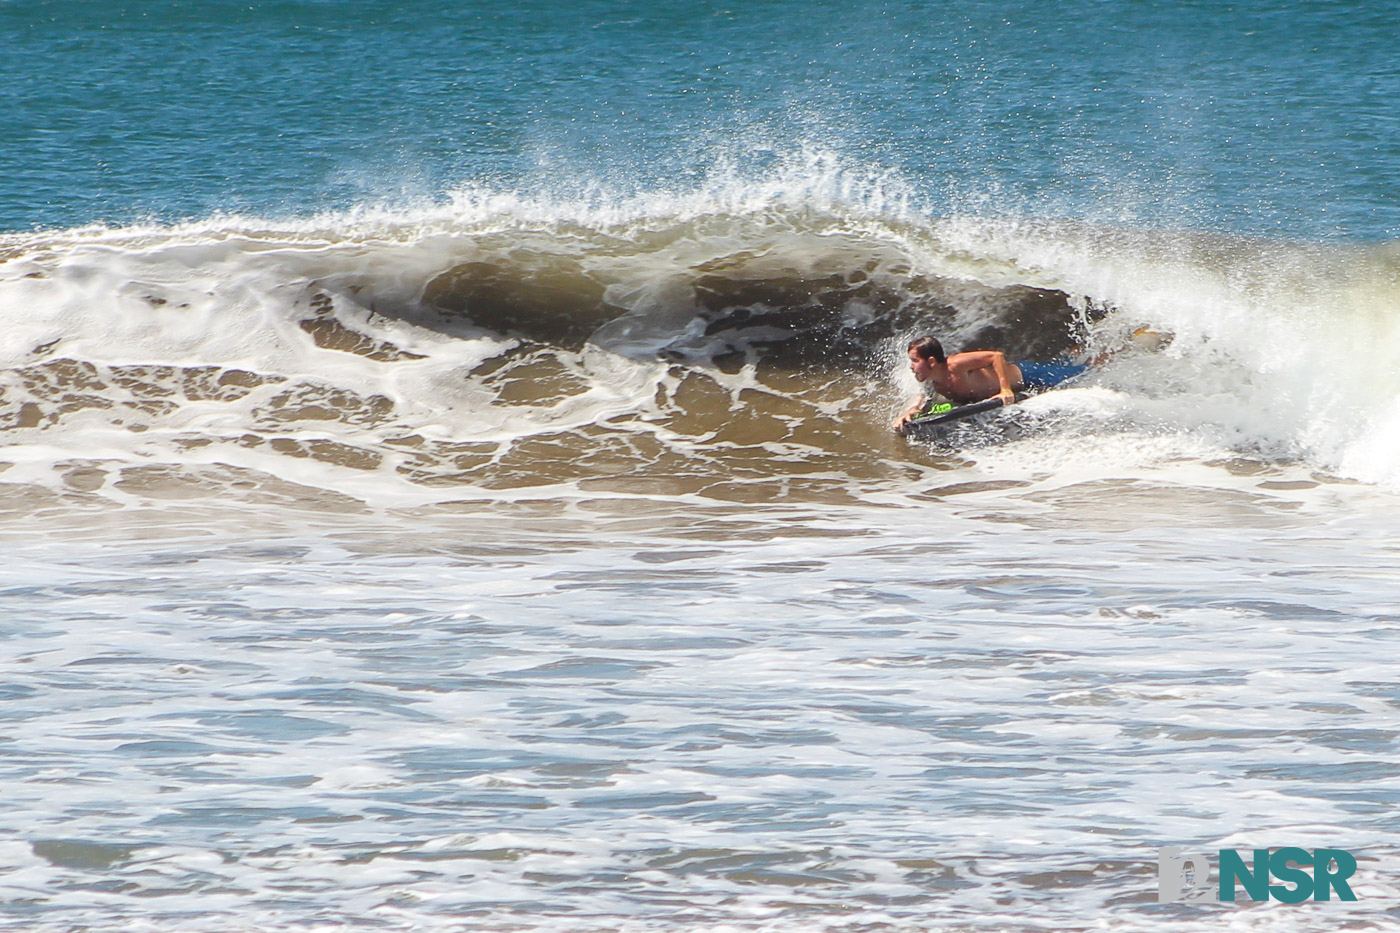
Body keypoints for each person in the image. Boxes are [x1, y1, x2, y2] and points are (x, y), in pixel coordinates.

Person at [891, 336, 1089, 432]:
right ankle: (1072, 354)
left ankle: (1105, 355)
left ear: (932, 362)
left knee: (1083, 372)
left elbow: (996, 356)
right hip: (1025, 381)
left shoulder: (956, 364)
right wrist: (910, 412)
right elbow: (921, 398)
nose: (911, 367)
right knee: (1065, 366)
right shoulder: (934, 381)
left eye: (915, 361)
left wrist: (1005, 389)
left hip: (1028, 376)